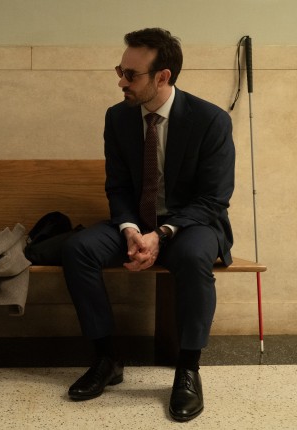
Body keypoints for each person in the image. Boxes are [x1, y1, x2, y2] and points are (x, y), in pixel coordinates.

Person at [62, 28, 235, 422]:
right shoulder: (118, 117)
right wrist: (130, 229)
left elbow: (213, 198)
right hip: (137, 222)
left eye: (131, 75)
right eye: (120, 71)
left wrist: (162, 234)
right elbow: (118, 186)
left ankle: (188, 369)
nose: (121, 82)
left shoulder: (210, 120)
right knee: (78, 249)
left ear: (163, 76)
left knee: (192, 257)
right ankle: (106, 359)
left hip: (193, 224)